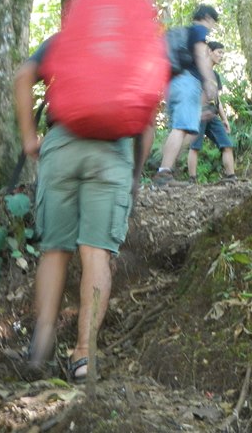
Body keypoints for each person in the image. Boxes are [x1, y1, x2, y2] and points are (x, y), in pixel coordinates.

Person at [14, 39, 151, 381]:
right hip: (111, 151)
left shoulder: (67, 39)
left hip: (62, 144)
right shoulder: (133, 48)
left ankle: (40, 343)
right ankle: (83, 356)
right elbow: (146, 122)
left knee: (54, 251)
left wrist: (30, 138)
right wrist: (134, 174)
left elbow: (23, 77)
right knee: (95, 253)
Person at [153, 5, 219, 187]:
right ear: (206, 17)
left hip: (174, 84)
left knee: (188, 130)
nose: (212, 26)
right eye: (213, 21)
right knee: (182, 128)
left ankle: (166, 169)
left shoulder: (186, 33)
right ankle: (164, 173)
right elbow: (200, 55)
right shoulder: (198, 31)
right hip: (187, 82)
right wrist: (209, 80)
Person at [187, 41, 237, 183]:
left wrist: (224, 119)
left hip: (213, 114)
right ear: (210, 51)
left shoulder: (216, 76)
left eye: (223, 53)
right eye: (219, 52)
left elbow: (217, 99)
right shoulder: (197, 71)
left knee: (226, 145)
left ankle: (231, 177)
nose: (221, 56)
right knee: (195, 146)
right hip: (199, 113)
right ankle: (192, 179)